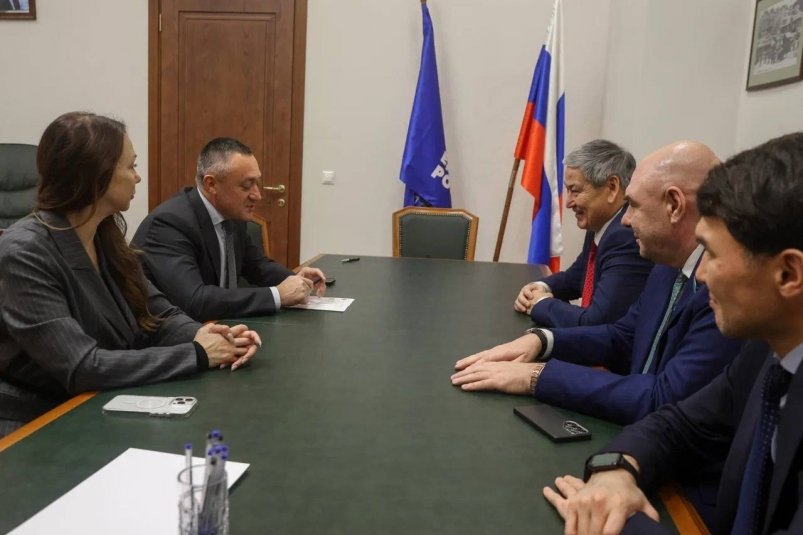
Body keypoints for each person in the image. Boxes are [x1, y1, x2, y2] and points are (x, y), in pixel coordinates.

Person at [543, 132, 803, 535]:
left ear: (788, 274)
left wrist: (616, 522)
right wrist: (618, 470)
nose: (701, 272)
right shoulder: (765, 353)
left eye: (713, 254)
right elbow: (680, 423)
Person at [0, 112, 260, 437]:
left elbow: (157, 313)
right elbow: (81, 366)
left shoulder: (104, 234)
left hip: (100, 401)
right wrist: (197, 353)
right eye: (130, 166)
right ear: (96, 175)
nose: (137, 177)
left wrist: (209, 335)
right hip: (40, 420)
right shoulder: (25, 251)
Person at [451, 141, 743, 424]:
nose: (626, 220)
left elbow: (661, 398)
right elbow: (623, 337)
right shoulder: (666, 266)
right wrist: (542, 340)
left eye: (634, 206)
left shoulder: (722, 291)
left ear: (674, 205)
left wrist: (536, 376)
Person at [132, 138, 326, 322]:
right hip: (172, 335)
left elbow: (256, 265)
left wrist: (295, 279)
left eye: (257, 184)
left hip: (218, 326)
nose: (257, 195)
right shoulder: (169, 224)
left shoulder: (231, 213)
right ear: (211, 184)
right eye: (247, 185)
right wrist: (276, 295)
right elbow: (195, 300)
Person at [514, 139, 653, 327]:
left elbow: (596, 321)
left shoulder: (626, 236)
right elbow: (577, 276)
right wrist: (539, 287)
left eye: (575, 191)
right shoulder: (601, 223)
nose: (568, 203)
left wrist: (541, 304)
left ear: (612, 187)